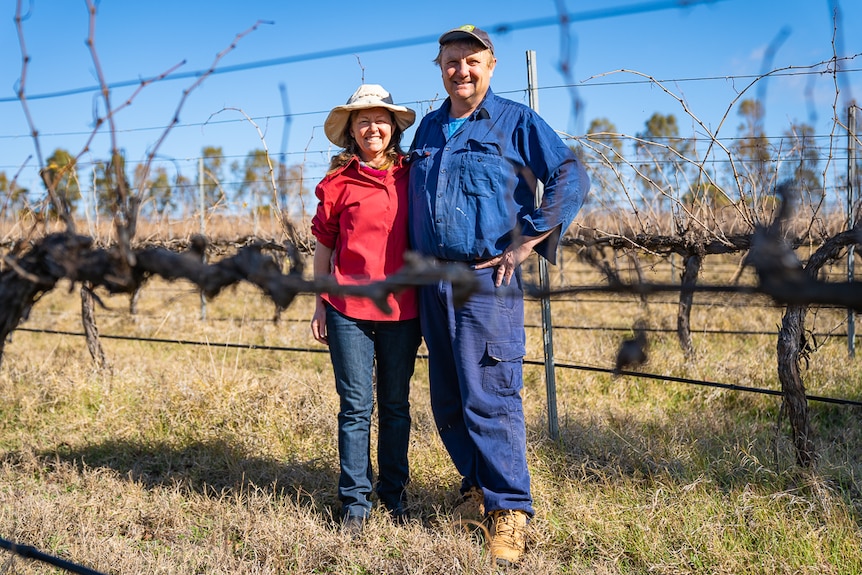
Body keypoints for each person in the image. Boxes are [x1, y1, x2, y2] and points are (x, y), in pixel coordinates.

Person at [407, 25, 590, 566]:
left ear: (490, 64)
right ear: (439, 66)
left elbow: (570, 174)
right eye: (450, 61)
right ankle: (477, 487)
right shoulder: (428, 128)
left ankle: (510, 510)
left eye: (471, 61)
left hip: (489, 279)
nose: (460, 70)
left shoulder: (515, 121)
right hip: (432, 280)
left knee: (491, 391)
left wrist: (529, 236)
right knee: (447, 394)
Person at [310, 84, 422, 535]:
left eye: (380, 119)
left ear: (392, 127)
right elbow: (324, 245)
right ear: (351, 132)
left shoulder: (414, 174)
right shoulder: (337, 183)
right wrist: (320, 302)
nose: (372, 127)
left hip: (403, 308)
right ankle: (355, 501)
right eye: (362, 120)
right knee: (355, 406)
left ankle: (393, 495)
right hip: (347, 309)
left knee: (395, 405)